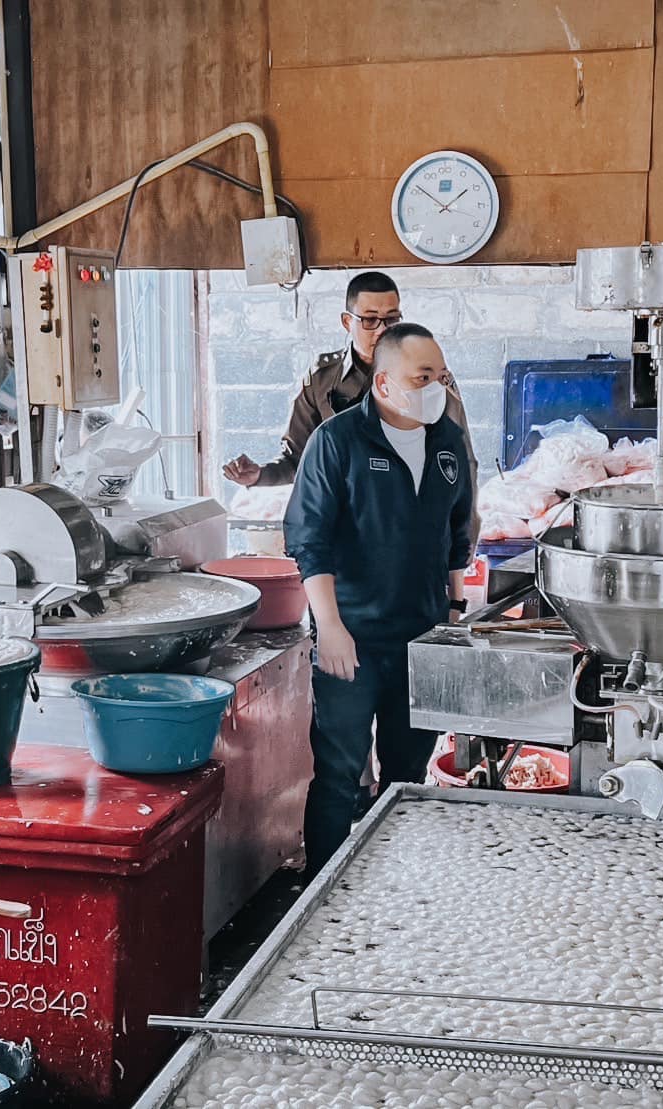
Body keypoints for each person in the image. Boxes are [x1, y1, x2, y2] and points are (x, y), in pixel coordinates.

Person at [284, 323, 475, 876]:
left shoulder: (447, 439)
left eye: (441, 377)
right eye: (423, 377)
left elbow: (456, 534)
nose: (436, 389)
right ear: (385, 383)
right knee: (339, 773)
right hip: (353, 637)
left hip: (422, 636)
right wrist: (330, 628)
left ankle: (393, 889)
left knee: (407, 778)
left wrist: (454, 613)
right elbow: (309, 542)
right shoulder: (337, 441)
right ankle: (320, 894)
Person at [222, 272, 475, 491]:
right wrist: (259, 476)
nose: (382, 330)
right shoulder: (322, 381)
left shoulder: (427, 377)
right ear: (347, 322)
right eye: (370, 320)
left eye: (391, 319)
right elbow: (299, 459)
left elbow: (459, 460)